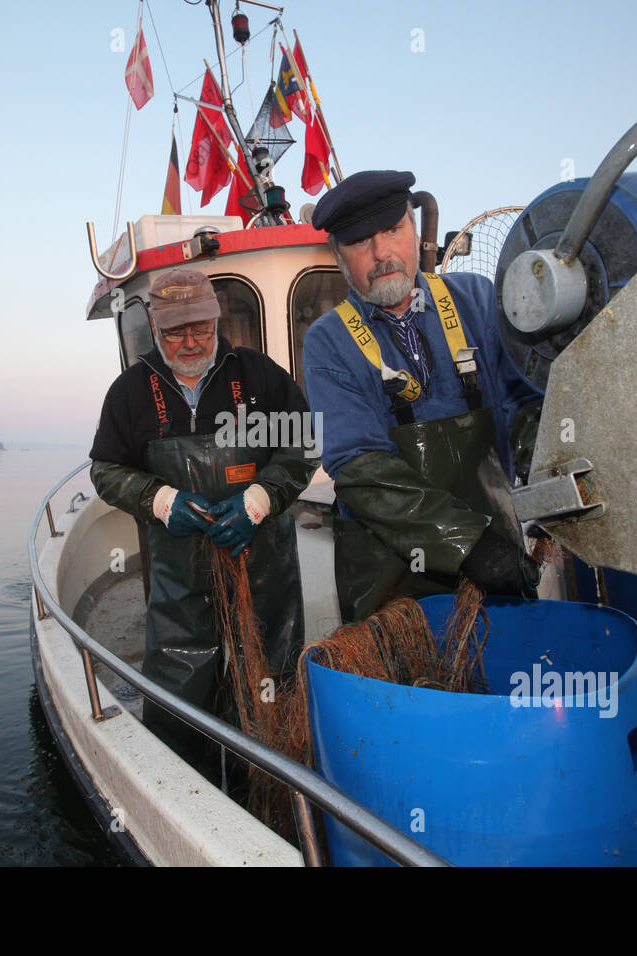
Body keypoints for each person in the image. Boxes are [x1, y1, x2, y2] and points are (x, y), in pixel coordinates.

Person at [89, 267, 316, 776]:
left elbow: (305, 444)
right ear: (154, 324)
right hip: (179, 572)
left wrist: (258, 500)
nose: (190, 342)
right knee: (179, 675)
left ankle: (272, 777)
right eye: (175, 331)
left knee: (272, 674)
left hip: (265, 569)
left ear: (216, 319)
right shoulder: (129, 392)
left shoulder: (257, 375)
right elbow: (106, 471)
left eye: (200, 328)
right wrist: (163, 501)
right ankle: (183, 786)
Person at [302, 170, 544, 622]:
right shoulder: (327, 341)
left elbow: (524, 407)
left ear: (414, 228)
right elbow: (359, 467)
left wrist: (553, 486)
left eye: (392, 230)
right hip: (391, 580)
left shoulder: (476, 298)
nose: (381, 254)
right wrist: (468, 543)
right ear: (337, 257)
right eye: (359, 243)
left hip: (500, 556)